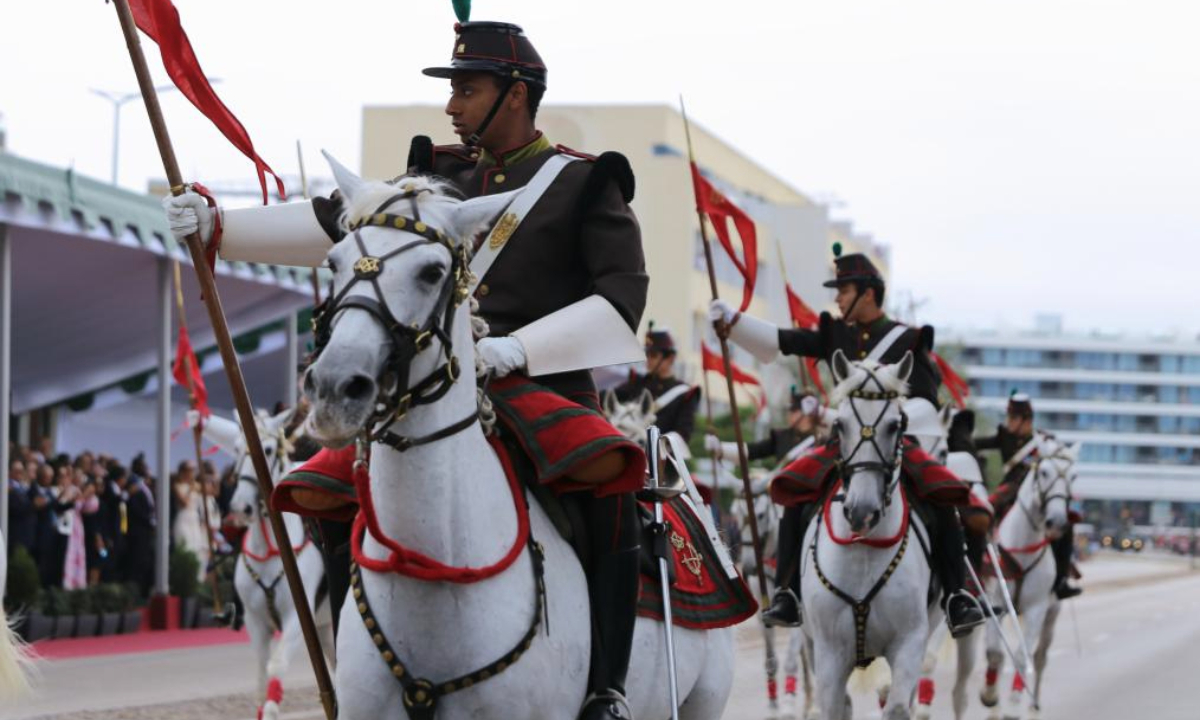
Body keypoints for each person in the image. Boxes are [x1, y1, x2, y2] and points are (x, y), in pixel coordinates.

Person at [163, 21, 649, 719]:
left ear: (516, 96)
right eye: (452, 89)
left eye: (467, 88)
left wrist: (517, 349)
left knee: (610, 484)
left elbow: (619, 301)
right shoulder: (437, 176)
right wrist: (219, 229)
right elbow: (340, 223)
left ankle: (605, 686)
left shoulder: (582, 182)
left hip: (539, 385)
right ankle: (351, 664)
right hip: (425, 388)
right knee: (321, 487)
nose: (452, 105)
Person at [708, 244, 985, 637]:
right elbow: (787, 341)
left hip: (894, 443)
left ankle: (957, 595)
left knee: (941, 497)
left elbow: (926, 398)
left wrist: (897, 425)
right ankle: (788, 592)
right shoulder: (834, 333)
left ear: (867, 293)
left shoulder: (908, 339)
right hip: (844, 445)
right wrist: (734, 323)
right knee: (794, 493)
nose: (837, 298)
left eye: (843, 290)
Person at [976, 393, 1082, 600]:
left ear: (1026, 419)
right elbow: (975, 443)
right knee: (982, 515)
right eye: (1009, 417)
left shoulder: (1043, 440)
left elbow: (1059, 459)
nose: (1009, 422)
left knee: (1064, 525)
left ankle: (1061, 579)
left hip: (1036, 493)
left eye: (1013, 418)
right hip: (1010, 491)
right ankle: (979, 574)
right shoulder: (1003, 436)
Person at [612, 324, 701, 445]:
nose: (648, 360)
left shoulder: (685, 394)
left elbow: (683, 435)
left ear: (670, 358)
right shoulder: (637, 382)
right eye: (647, 355)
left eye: (653, 356)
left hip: (662, 458)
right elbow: (608, 398)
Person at [6, 459, 36, 559]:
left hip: (25, 534)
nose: (20, 473)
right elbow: (15, 509)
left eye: (21, 470)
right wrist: (33, 505)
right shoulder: (6, 487)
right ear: (9, 471)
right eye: (17, 470)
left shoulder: (24, 487)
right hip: (13, 534)